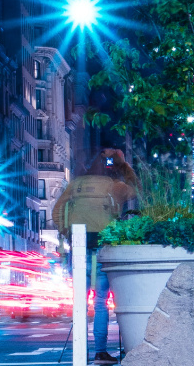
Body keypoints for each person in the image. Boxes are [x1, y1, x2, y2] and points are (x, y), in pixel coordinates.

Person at [52, 147, 138, 364]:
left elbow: (57, 211)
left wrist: (67, 232)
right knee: (101, 301)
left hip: (79, 248)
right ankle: (100, 352)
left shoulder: (76, 185)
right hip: (102, 247)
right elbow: (135, 189)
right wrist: (123, 164)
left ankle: (80, 351)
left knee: (80, 300)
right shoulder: (114, 186)